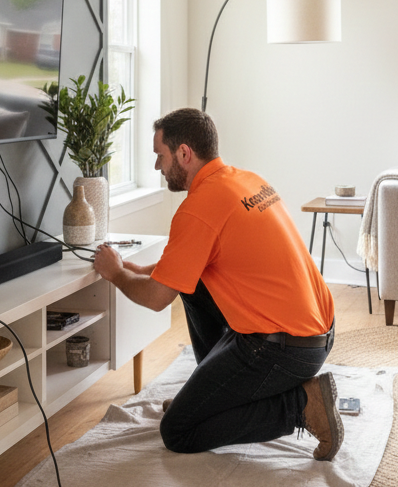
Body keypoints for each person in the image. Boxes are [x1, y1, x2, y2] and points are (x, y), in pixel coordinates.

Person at [92, 107, 343, 459]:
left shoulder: (198, 208)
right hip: (318, 332)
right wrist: (138, 267)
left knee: (178, 431)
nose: (156, 167)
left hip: (285, 350)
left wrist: (116, 273)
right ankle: (214, 395)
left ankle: (302, 405)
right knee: (192, 286)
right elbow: (186, 264)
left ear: (184, 153)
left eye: (159, 156)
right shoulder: (246, 180)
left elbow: (155, 298)